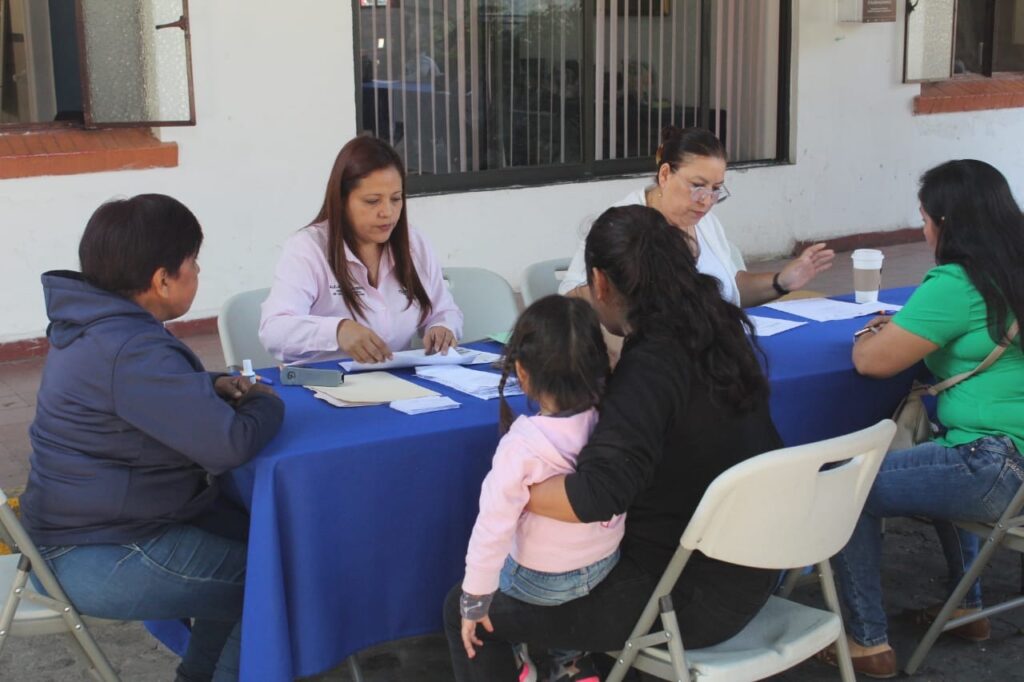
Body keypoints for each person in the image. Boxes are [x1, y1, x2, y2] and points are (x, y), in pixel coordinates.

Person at [445, 205, 784, 681]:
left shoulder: (650, 369)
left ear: (600, 283)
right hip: (757, 565)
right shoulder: (718, 328)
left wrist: (515, 489)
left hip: (688, 597)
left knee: (467, 608)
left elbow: (597, 496)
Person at [19, 194, 285, 682]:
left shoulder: (94, 326)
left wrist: (207, 384)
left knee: (251, 543)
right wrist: (263, 399)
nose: (198, 273)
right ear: (162, 280)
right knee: (274, 579)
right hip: (98, 552)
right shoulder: (130, 347)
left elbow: (130, 399)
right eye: (194, 264)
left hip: (79, 533)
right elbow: (228, 445)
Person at [829, 159, 1024, 679]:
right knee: (933, 459)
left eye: (924, 217)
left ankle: (866, 642)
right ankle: (965, 610)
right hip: (1009, 464)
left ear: (945, 221)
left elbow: (873, 363)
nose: (923, 228)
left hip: (994, 468)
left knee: (845, 486)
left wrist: (870, 334)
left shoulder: (959, 282)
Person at [459, 295, 617, 682]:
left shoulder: (521, 444)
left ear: (522, 373)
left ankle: (523, 659)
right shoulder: (611, 420)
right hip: (603, 564)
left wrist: (473, 600)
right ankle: (571, 662)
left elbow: (492, 528)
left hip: (541, 580)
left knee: (500, 569)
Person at [559, 126, 834, 308]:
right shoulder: (621, 224)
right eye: (697, 185)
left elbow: (730, 289)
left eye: (715, 190)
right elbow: (575, 299)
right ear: (665, 174)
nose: (706, 201)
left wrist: (781, 281)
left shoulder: (705, 223)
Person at [259, 135, 463, 364]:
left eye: (396, 199)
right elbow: (274, 330)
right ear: (342, 200)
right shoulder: (308, 247)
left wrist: (442, 327)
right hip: (326, 384)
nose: (387, 212)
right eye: (372, 201)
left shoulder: (414, 243)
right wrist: (338, 331)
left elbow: (443, 310)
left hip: (398, 384)